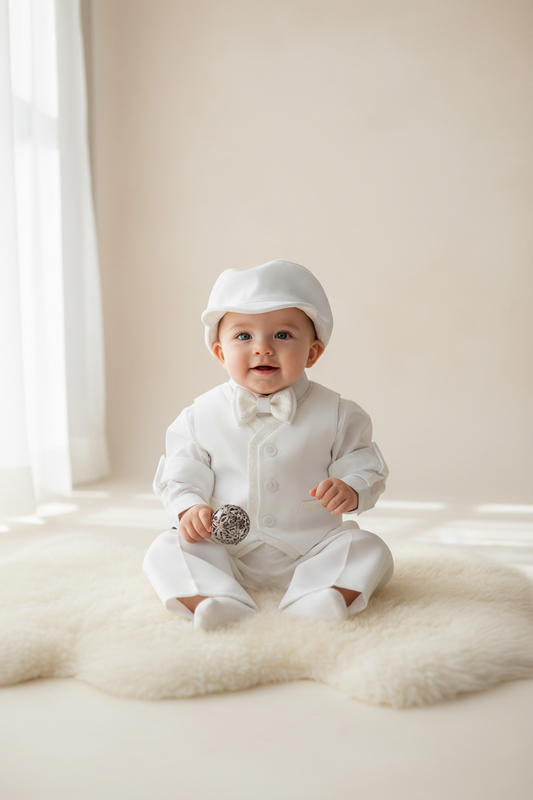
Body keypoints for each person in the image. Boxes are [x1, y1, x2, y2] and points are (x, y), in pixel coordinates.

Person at [143, 260, 393, 631]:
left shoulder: (339, 414)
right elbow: (181, 474)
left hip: (312, 548)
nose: (262, 349)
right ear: (219, 352)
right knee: (164, 549)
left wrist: (351, 488)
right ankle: (216, 599)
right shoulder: (199, 416)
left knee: (367, 547)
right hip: (225, 552)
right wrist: (189, 507)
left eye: (282, 336)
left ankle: (319, 596)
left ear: (312, 352)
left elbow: (365, 466)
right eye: (243, 337)